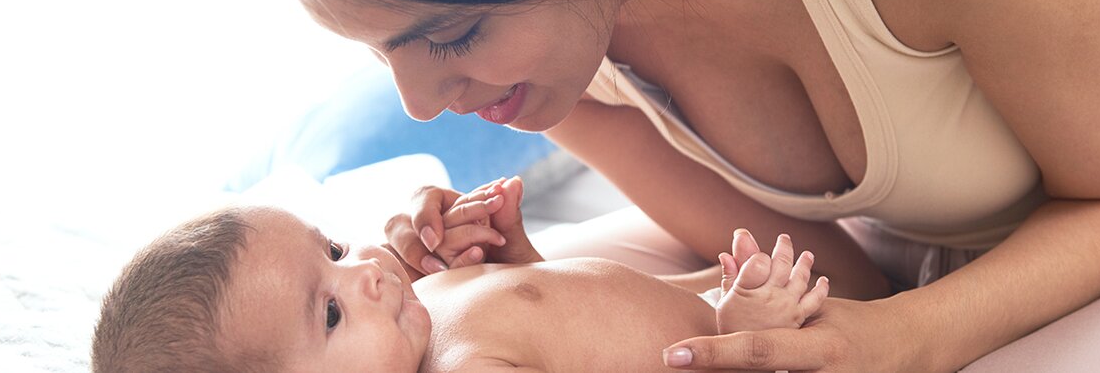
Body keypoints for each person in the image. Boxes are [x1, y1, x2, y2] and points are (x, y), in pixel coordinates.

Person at [252, 0, 1100, 370]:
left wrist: (914, 339)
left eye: (450, 35)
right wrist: (510, 282)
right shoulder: (555, 74)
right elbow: (835, 284)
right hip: (959, 240)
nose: (422, 105)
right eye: (384, 54)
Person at [90, 178, 830, 372]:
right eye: (329, 315)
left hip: (725, 298)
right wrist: (737, 343)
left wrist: (523, 262)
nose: (369, 274)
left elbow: (582, 333)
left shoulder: (419, 313)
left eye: (336, 252)